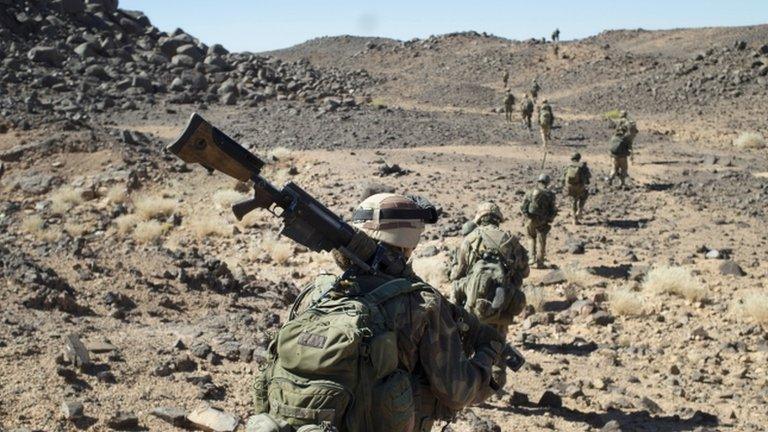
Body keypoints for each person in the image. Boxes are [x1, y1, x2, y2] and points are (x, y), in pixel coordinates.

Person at [251, 193, 507, 432]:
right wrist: (488, 355)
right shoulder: (420, 304)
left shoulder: (318, 292)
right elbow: (457, 392)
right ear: (408, 242)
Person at [449, 202, 529, 392]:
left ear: (479, 218)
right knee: (497, 348)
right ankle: (493, 389)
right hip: (499, 309)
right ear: (498, 219)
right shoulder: (510, 241)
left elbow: (457, 274)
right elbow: (524, 272)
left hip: (472, 307)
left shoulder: (470, 239)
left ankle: (468, 392)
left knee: (467, 347)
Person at [521, 175, 557, 269]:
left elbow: (523, 206)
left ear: (539, 181)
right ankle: (540, 261)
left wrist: (527, 216)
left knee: (531, 237)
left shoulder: (530, 191)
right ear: (547, 182)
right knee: (542, 240)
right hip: (543, 220)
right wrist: (550, 219)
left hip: (530, 220)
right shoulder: (550, 194)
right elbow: (553, 209)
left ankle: (531, 259)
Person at [562, 152, 591, 224]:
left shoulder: (568, 166)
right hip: (579, 187)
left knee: (573, 201)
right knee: (584, 195)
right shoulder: (582, 166)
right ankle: (580, 210)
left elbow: (563, 178)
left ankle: (574, 219)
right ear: (579, 158)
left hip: (569, 187)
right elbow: (589, 176)